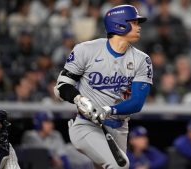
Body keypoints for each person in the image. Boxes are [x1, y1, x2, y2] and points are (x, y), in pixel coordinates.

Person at [54, 4, 153, 169]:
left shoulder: (142, 60)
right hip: (87, 125)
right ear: (119, 24)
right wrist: (78, 99)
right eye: (134, 22)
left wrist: (108, 110)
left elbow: (137, 102)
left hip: (120, 128)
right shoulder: (86, 50)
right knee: (120, 165)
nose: (138, 27)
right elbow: (61, 87)